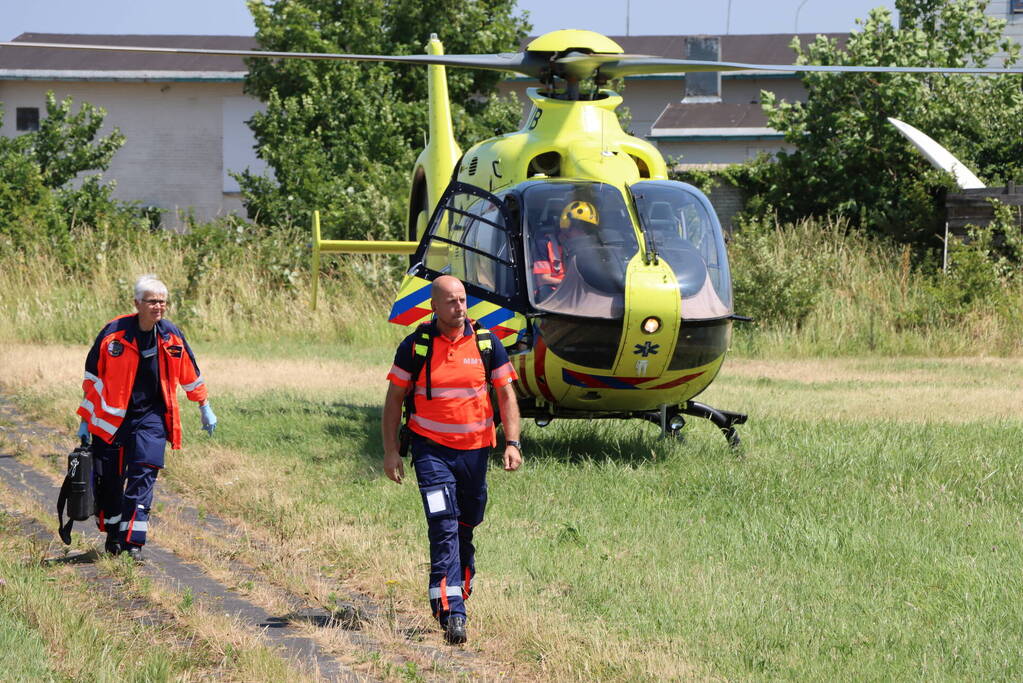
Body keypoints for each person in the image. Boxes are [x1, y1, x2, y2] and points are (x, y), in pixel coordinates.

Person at [381, 275, 522, 645]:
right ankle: (451, 609)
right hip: (431, 452)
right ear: (434, 306)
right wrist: (392, 450)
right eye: (451, 302)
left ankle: (460, 579)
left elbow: (506, 396)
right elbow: (394, 400)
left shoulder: (488, 343)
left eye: (462, 300)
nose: (459, 307)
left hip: (476, 452)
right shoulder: (416, 346)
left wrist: (513, 442)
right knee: (443, 523)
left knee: (467, 522)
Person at [75, 274, 217, 561]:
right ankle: (114, 535)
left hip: (152, 419)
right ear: (137, 303)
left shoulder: (171, 335)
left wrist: (204, 405)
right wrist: (85, 419)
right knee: (111, 483)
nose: (158, 307)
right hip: (111, 422)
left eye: (162, 302)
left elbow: (190, 373)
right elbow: (92, 379)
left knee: (143, 476)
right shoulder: (112, 334)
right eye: (152, 301)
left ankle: (133, 544)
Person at [531, 200, 600, 300]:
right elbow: (542, 280)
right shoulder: (545, 243)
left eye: (588, 229)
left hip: (579, 294)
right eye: (580, 227)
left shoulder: (589, 245)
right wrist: (571, 283)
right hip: (554, 296)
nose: (584, 233)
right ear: (566, 225)